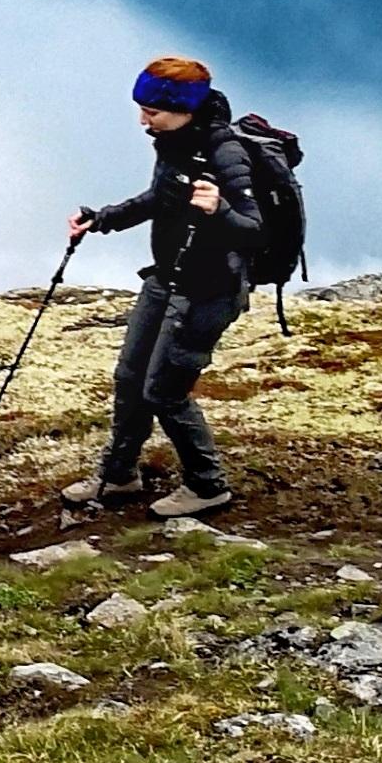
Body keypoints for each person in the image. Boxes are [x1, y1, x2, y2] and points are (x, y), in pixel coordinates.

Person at [63, 56, 264, 518]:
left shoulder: (225, 152)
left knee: (165, 392)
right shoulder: (172, 142)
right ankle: (118, 475)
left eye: (151, 111)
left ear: (183, 108)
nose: (142, 120)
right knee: (130, 379)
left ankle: (207, 484)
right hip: (165, 278)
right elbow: (161, 198)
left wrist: (221, 212)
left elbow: (254, 231)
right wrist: (103, 219)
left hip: (209, 293)